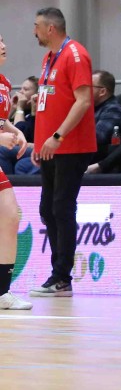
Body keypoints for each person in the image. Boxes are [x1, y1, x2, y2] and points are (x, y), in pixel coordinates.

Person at [28, 7, 96, 298]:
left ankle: (62, 278)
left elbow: (83, 101)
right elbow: (49, 104)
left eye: (37, 26)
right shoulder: (49, 58)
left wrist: (57, 137)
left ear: (50, 29)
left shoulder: (75, 54)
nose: (34, 31)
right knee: (47, 210)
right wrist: (39, 142)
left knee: (61, 208)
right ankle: (58, 275)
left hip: (71, 146)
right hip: (51, 148)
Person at [0, 34, 33, 309]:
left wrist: (15, 131)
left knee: (10, 215)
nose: (3, 45)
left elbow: (1, 122)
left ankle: (2, 292)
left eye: (2, 40)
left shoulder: (4, 83)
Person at [90, 71, 121, 158]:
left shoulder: (114, 110)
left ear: (102, 91)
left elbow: (97, 138)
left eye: (88, 87)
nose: (83, 91)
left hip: (104, 160)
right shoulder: (91, 108)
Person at [0, 75, 37, 176]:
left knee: (3, 150)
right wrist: (12, 108)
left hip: (33, 147)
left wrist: (20, 108)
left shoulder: (33, 112)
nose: (21, 92)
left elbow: (19, 130)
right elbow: (3, 124)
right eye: (21, 88)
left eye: (26, 89)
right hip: (20, 146)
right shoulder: (21, 111)